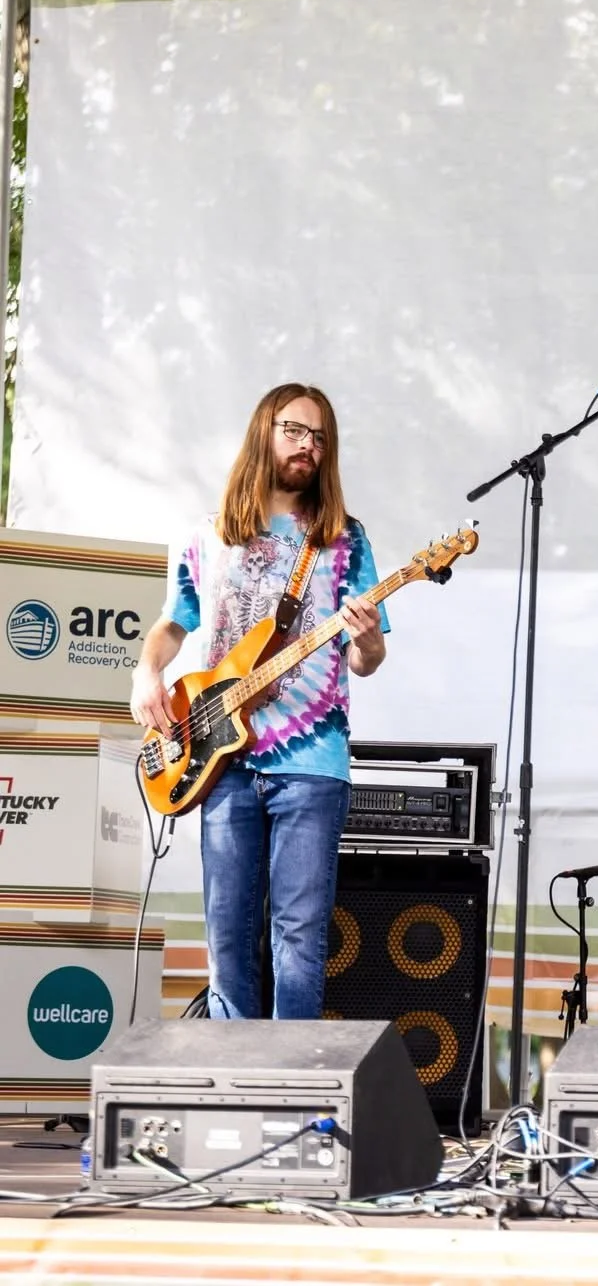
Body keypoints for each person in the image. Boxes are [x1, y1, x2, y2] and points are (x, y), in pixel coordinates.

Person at [130, 384, 389, 1021]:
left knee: (299, 940)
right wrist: (146, 673)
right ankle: (233, 1094)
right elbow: (174, 622)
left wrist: (368, 638)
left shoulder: (345, 541)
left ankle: (295, 1099)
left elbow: (366, 661)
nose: (309, 446)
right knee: (226, 942)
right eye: (296, 430)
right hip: (220, 761)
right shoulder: (209, 536)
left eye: (321, 437)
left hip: (311, 764)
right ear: (264, 432)